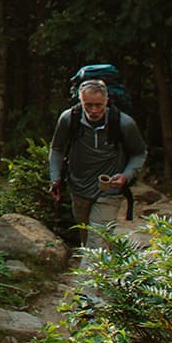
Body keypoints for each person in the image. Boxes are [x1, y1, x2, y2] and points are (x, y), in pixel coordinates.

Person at [48, 79, 146, 265]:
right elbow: (57, 149)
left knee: (97, 240)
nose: (93, 110)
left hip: (110, 190)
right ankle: (105, 276)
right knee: (88, 240)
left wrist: (126, 176)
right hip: (78, 187)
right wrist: (55, 178)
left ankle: (87, 293)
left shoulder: (124, 123)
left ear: (107, 100)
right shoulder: (69, 119)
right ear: (80, 101)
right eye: (88, 105)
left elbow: (139, 153)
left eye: (98, 105)